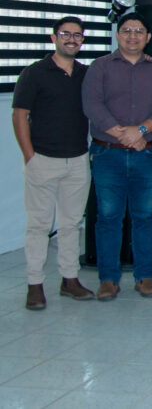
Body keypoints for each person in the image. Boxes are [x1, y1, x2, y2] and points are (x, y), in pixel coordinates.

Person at [82, 12, 152, 301]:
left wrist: (141, 130)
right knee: (108, 216)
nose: (132, 36)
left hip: (146, 154)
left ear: (148, 37)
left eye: (138, 31)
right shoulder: (99, 67)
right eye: (126, 30)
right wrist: (123, 134)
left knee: (145, 215)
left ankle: (145, 276)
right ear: (117, 35)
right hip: (107, 153)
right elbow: (92, 105)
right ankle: (108, 279)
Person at [13, 16, 94, 310]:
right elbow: (19, 115)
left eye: (77, 35)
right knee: (39, 226)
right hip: (43, 160)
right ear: (54, 38)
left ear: (82, 40)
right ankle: (35, 285)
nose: (71, 39)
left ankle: (69, 280)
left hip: (78, 160)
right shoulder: (34, 73)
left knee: (71, 224)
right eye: (65, 34)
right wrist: (30, 157)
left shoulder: (86, 74)